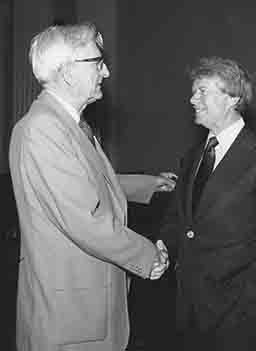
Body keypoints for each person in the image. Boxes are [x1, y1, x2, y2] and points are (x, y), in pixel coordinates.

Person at [9, 23, 175, 351]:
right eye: (98, 63)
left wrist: (149, 185)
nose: (107, 72)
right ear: (68, 72)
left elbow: (91, 182)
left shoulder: (65, 124)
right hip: (68, 314)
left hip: (85, 305)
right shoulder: (42, 130)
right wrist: (148, 255)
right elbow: (85, 219)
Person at [158, 56, 256, 351]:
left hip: (241, 322)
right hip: (189, 314)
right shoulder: (193, 157)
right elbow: (180, 222)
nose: (192, 99)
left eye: (203, 91)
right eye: (193, 91)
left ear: (233, 98)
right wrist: (162, 246)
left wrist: (251, 300)